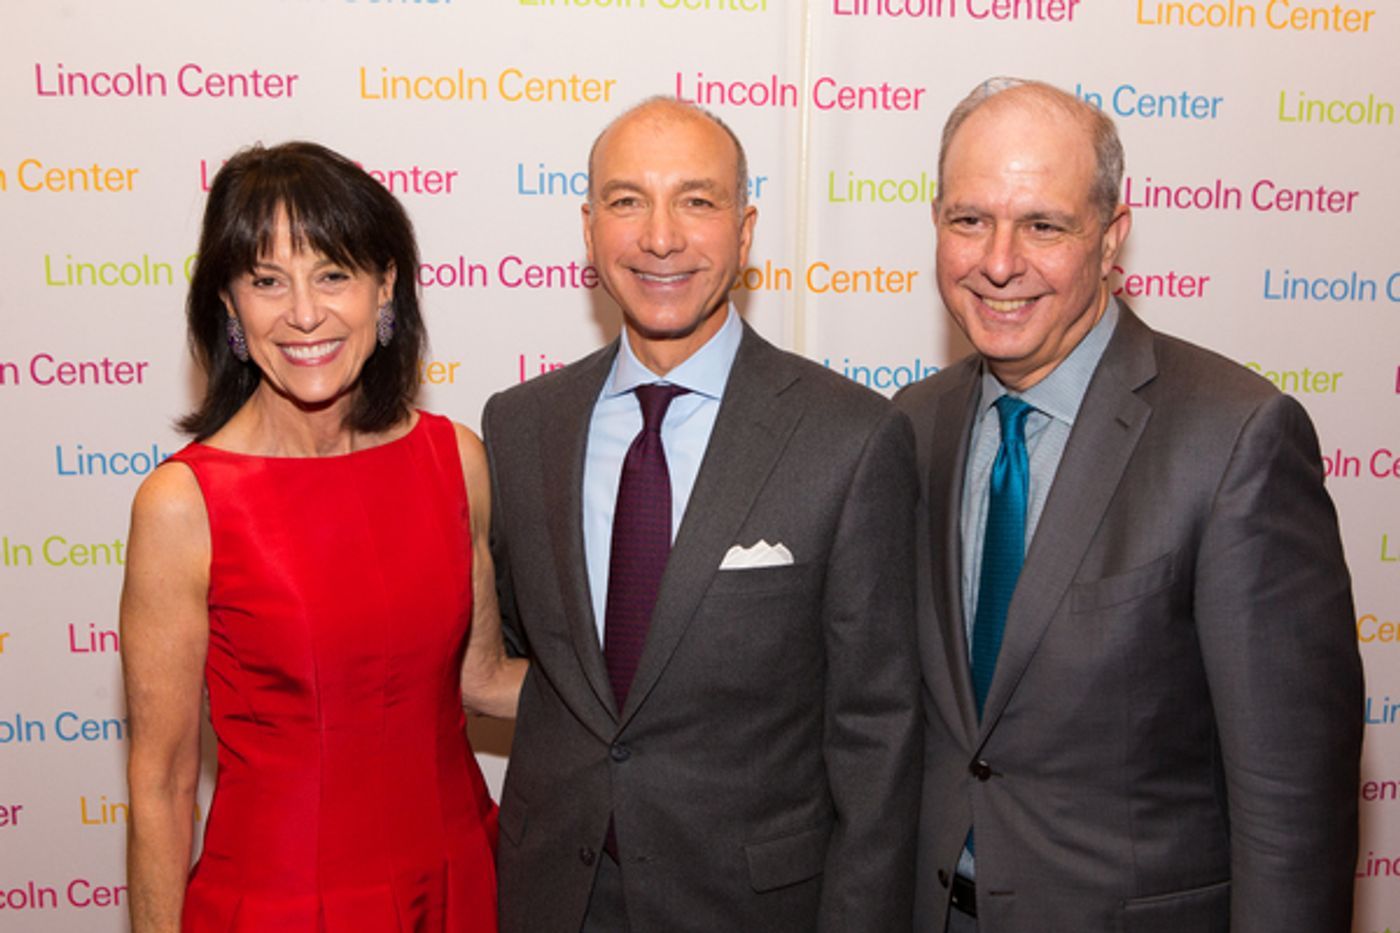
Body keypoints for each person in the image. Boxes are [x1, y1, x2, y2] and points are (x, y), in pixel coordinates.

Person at [894, 77, 1363, 932]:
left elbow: (1292, 806)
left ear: (1111, 238)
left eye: (1043, 224)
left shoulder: (1235, 439)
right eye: (969, 220)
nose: (999, 261)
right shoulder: (911, 427)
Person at [481, 97, 921, 933]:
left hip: (752, 905)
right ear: (587, 228)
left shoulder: (850, 437)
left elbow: (878, 736)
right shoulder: (520, 425)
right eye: (625, 200)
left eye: (696, 200)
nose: (659, 236)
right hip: (551, 895)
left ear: (746, 229)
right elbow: (509, 649)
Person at [120, 141, 521, 933]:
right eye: (267, 281)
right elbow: (162, 781)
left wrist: (673, 693)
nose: (303, 313)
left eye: (332, 273)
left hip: (462, 877)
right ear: (229, 306)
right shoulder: (183, 503)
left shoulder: (455, 459)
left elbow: (481, 679)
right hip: (282, 902)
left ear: (386, 287)